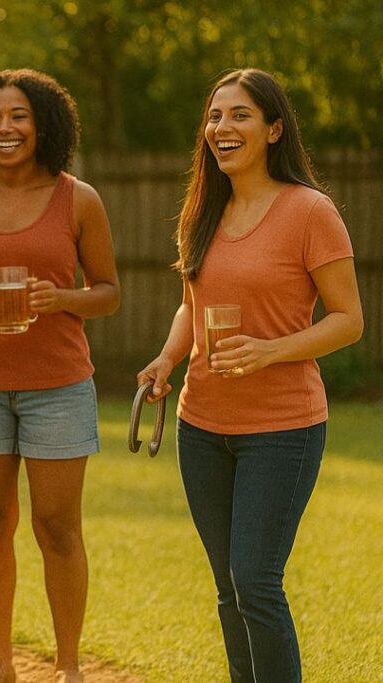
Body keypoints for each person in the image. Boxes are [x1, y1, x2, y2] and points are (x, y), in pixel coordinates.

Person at [137, 68, 363, 682]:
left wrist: (271, 351)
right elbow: (193, 303)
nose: (222, 128)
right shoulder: (203, 209)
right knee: (227, 589)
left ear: (273, 129)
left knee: (254, 581)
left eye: (239, 115)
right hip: (202, 425)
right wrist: (167, 359)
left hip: (282, 428)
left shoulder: (309, 211)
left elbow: (349, 320)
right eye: (215, 116)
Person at [0, 70, 120, 683]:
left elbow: (109, 293)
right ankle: (0, 664)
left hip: (58, 386)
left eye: (18, 116)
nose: (4, 128)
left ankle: (67, 668)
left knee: (57, 527)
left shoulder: (78, 199)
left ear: (44, 125)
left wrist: (62, 298)